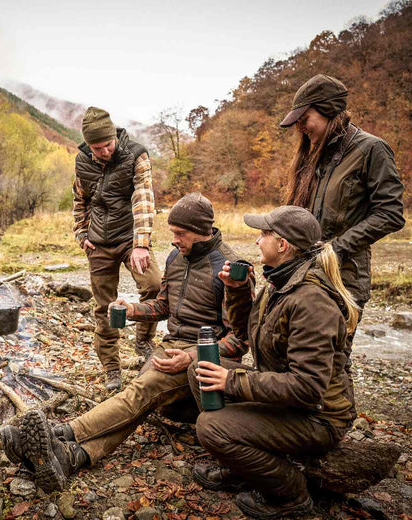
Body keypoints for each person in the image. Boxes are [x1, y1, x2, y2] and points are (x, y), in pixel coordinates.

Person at [0, 193, 248, 494]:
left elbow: (240, 339)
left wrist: (193, 355)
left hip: (203, 357)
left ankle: (62, 433)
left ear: (202, 230)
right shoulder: (175, 258)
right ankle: (71, 456)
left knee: (140, 392)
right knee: (138, 398)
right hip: (171, 346)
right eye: (172, 233)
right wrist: (133, 310)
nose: (174, 241)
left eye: (181, 234)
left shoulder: (229, 268)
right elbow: (163, 306)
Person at [189, 206, 359, 519]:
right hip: (286, 399)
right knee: (198, 369)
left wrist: (233, 382)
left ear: (282, 245)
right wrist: (238, 292)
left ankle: (290, 493)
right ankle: (245, 465)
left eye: (263, 234)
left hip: (319, 417)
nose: (257, 241)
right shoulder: (280, 283)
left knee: (210, 426)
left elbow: (308, 388)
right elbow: (246, 333)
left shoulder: (311, 300)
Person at [280, 74, 404, 312]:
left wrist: (335, 249)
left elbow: (391, 213)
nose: (300, 127)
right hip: (303, 274)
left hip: (344, 280)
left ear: (328, 110)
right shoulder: (312, 153)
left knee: (329, 350)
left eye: (305, 119)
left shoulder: (371, 149)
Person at [73, 106, 161, 390]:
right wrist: (81, 233)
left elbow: (144, 197)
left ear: (115, 137)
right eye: (97, 148)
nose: (105, 152)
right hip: (98, 242)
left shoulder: (136, 154)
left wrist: (141, 243)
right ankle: (111, 368)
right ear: (89, 145)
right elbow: (80, 200)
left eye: (108, 145)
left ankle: (144, 341)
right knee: (103, 307)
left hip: (129, 238)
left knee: (155, 285)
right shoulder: (82, 161)